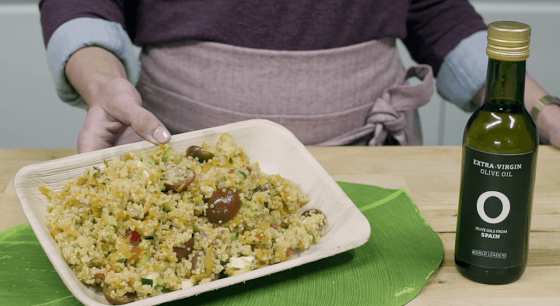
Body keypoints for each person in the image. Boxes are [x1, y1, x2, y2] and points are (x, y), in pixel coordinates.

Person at [39, 0, 560, 152]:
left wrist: (540, 110)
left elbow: (434, 11)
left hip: (368, 166)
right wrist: (104, 83)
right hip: (176, 154)